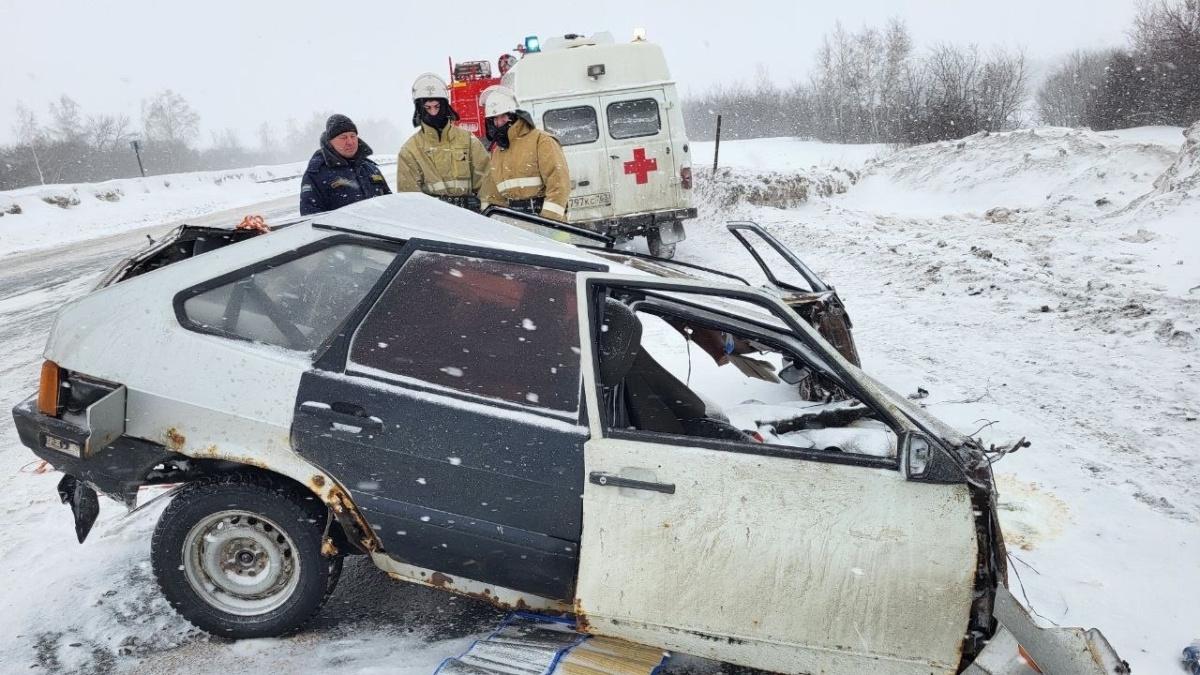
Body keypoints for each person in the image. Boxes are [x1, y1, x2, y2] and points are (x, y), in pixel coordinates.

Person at [396, 73, 490, 211]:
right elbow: (410, 201)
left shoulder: (468, 141)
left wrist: (485, 211)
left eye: (437, 106)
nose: (433, 113)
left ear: (445, 106)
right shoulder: (410, 151)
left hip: (471, 222)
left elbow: (487, 184)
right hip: (435, 227)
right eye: (427, 108)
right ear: (419, 110)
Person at [478, 86, 570, 222]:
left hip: (549, 227)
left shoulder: (541, 141)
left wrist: (548, 223)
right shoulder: (497, 152)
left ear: (514, 115)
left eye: (503, 116)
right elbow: (493, 196)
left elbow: (559, 184)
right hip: (516, 227)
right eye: (494, 119)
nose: (499, 123)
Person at [299, 114, 391, 215]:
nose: (350, 142)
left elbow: (391, 205)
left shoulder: (370, 168)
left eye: (353, 136)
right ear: (330, 142)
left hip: (379, 230)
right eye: (343, 138)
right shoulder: (316, 174)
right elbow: (310, 217)